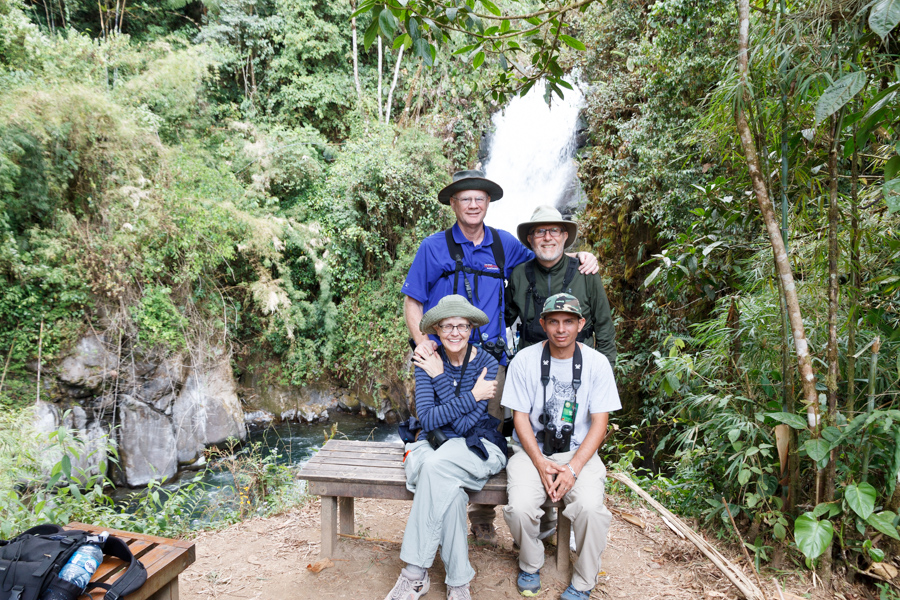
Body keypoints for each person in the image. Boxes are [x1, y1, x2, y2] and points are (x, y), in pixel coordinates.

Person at [402, 169, 599, 544]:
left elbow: (545, 257)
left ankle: (481, 515)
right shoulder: (433, 247)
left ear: (488, 203)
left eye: (480, 198)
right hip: (442, 356)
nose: (473, 204)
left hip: (490, 360)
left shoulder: (503, 244)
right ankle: (442, 505)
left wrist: (578, 255)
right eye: (466, 198)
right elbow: (413, 299)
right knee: (441, 427)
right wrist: (420, 342)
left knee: (487, 432)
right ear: (453, 204)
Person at [385, 295, 508, 600]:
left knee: (434, 468)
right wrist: (464, 391)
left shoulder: (486, 363)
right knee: (449, 491)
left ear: (471, 328)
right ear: (437, 330)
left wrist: (440, 381)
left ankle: (413, 574)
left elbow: (466, 427)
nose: (455, 332)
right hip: (433, 442)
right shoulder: (426, 360)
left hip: (475, 444)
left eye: (462, 326)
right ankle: (458, 582)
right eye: (448, 326)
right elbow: (427, 419)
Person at [501, 294, 621, 600]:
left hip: (578, 452)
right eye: (553, 321)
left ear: (581, 324)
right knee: (520, 508)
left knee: (592, 510)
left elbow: (599, 423)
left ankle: (583, 582)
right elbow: (520, 418)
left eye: (569, 321)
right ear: (542, 324)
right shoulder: (524, 361)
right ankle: (530, 563)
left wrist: (573, 468)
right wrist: (540, 463)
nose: (561, 329)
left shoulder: (597, 364)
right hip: (532, 450)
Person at [507, 205, 616, 365]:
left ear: (565, 236)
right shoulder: (519, 275)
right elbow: (501, 319)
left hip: (579, 367)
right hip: (532, 370)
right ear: (530, 239)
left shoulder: (585, 272)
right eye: (540, 231)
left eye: (554, 230)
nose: (547, 237)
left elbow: (604, 327)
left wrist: (605, 372)